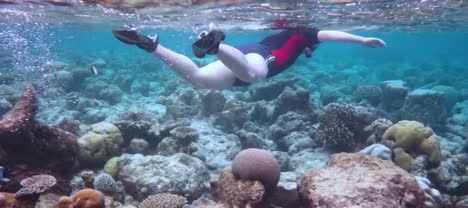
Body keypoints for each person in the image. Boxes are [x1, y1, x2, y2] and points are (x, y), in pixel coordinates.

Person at [112, 26, 386, 89]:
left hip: (244, 53)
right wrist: (361, 40)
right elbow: (328, 34)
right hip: (260, 58)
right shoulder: (305, 32)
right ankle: (213, 48)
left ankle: (151, 46)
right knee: (255, 77)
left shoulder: (298, 38)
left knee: (198, 79)